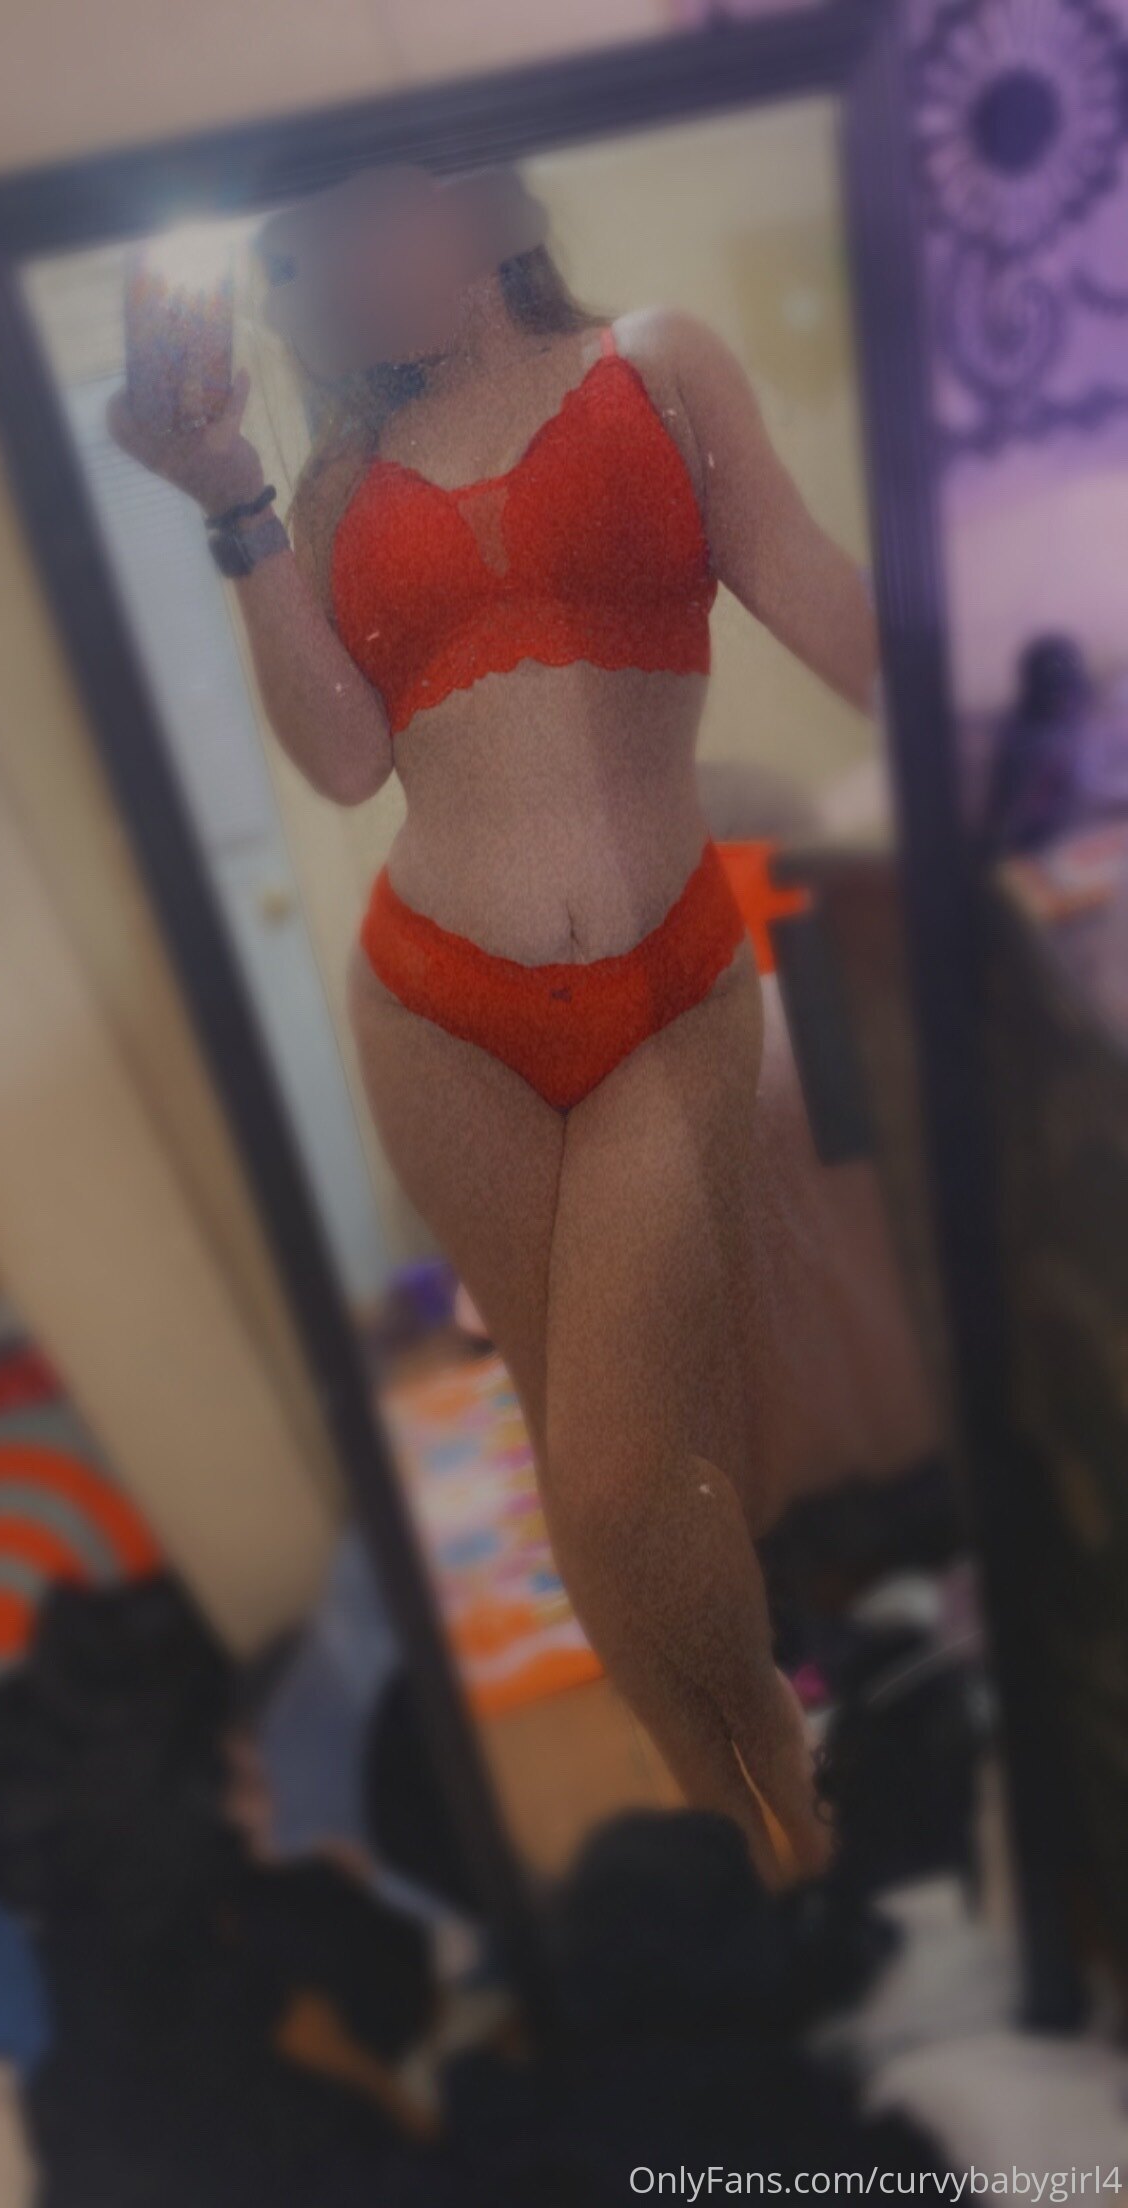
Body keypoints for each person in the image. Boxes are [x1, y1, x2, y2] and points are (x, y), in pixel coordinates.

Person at [110, 164, 884, 1882]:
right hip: (435, 1013)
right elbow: (344, 762)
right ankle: (726, 1838)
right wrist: (232, 499)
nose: (305, 275)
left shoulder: (655, 365)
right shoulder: (333, 480)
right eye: (279, 258)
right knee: (583, 1461)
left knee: (620, 1475)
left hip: (668, 993)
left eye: (335, 222)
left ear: (474, 199)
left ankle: (782, 1772)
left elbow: (808, 580)